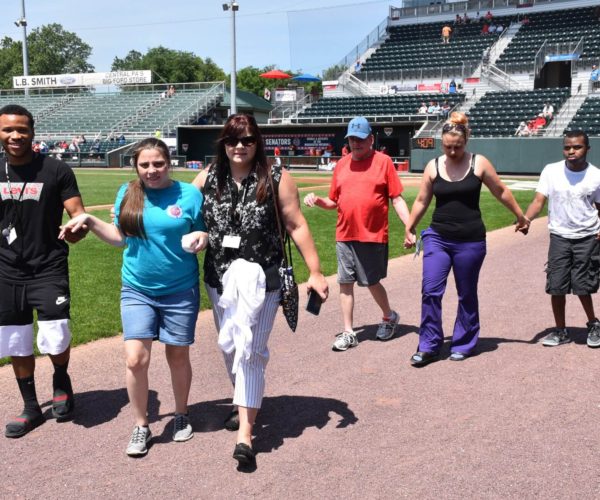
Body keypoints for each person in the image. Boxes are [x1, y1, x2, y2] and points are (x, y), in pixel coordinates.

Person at [191, 113, 328, 467]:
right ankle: (244, 401)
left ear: (258, 142)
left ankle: (245, 435)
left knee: (251, 349)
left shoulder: (277, 177)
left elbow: (296, 224)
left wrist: (315, 270)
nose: (240, 146)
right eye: (233, 139)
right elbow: (183, 215)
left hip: (263, 279)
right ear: (223, 142)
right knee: (229, 345)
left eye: (248, 139)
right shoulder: (207, 178)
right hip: (219, 277)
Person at [60, 138, 208, 456]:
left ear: (169, 163)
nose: (152, 170)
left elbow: (204, 233)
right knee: (135, 359)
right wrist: (89, 220)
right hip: (137, 289)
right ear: (136, 166)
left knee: (177, 357)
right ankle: (141, 425)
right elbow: (119, 238)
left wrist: (203, 237)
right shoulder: (128, 193)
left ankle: (181, 415)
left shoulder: (190, 195)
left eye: (158, 164)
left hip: (180, 290)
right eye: (145, 164)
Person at [404, 112, 529, 366]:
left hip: (470, 241)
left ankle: (463, 343)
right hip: (437, 238)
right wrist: (410, 227)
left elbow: (501, 190)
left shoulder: (479, 163)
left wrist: (520, 216)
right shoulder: (433, 166)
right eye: (448, 147)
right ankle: (428, 345)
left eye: (457, 147)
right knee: (430, 291)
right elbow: (421, 200)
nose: (452, 152)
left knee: (466, 293)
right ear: (442, 143)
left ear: (466, 141)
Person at [0, 104, 87, 438]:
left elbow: (76, 213)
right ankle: (30, 407)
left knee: (56, 334)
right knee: (16, 340)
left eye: (22, 129)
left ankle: (61, 378)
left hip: (48, 266)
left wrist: (77, 229)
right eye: (8, 130)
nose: (15, 135)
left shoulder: (55, 169)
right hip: (6, 272)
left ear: (32, 132)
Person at [304, 116, 410, 351]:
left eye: (360, 139)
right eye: (352, 139)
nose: (356, 143)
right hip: (345, 234)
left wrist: (408, 226)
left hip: (372, 235)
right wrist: (320, 201)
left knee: (371, 282)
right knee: (345, 283)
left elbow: (397, 198)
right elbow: (334, 201)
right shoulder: (341, 165)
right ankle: (349, 331)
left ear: (371, 139)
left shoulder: (383, 162)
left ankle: (389, 316)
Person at [521, 131, 600, 348]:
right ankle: (561, 330)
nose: (571, 151)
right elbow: (539, 200)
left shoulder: (596, 175)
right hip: (559, 237)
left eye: (577, 147)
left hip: (587, 236)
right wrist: (527, 219)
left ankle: (593, 324)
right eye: (567, 147)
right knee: (556, 286)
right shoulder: (551, 171)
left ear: (587, 149)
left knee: (583, 286)